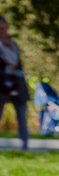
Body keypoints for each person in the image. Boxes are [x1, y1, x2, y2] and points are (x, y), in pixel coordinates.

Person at [0, 15, 27, 151]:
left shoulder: (13, 44)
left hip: (17, 84)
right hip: (1, 84)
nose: (2, 31)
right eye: (0, 29)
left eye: (4, 28)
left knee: (22, 116)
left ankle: (25, 145)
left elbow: (18, 64)